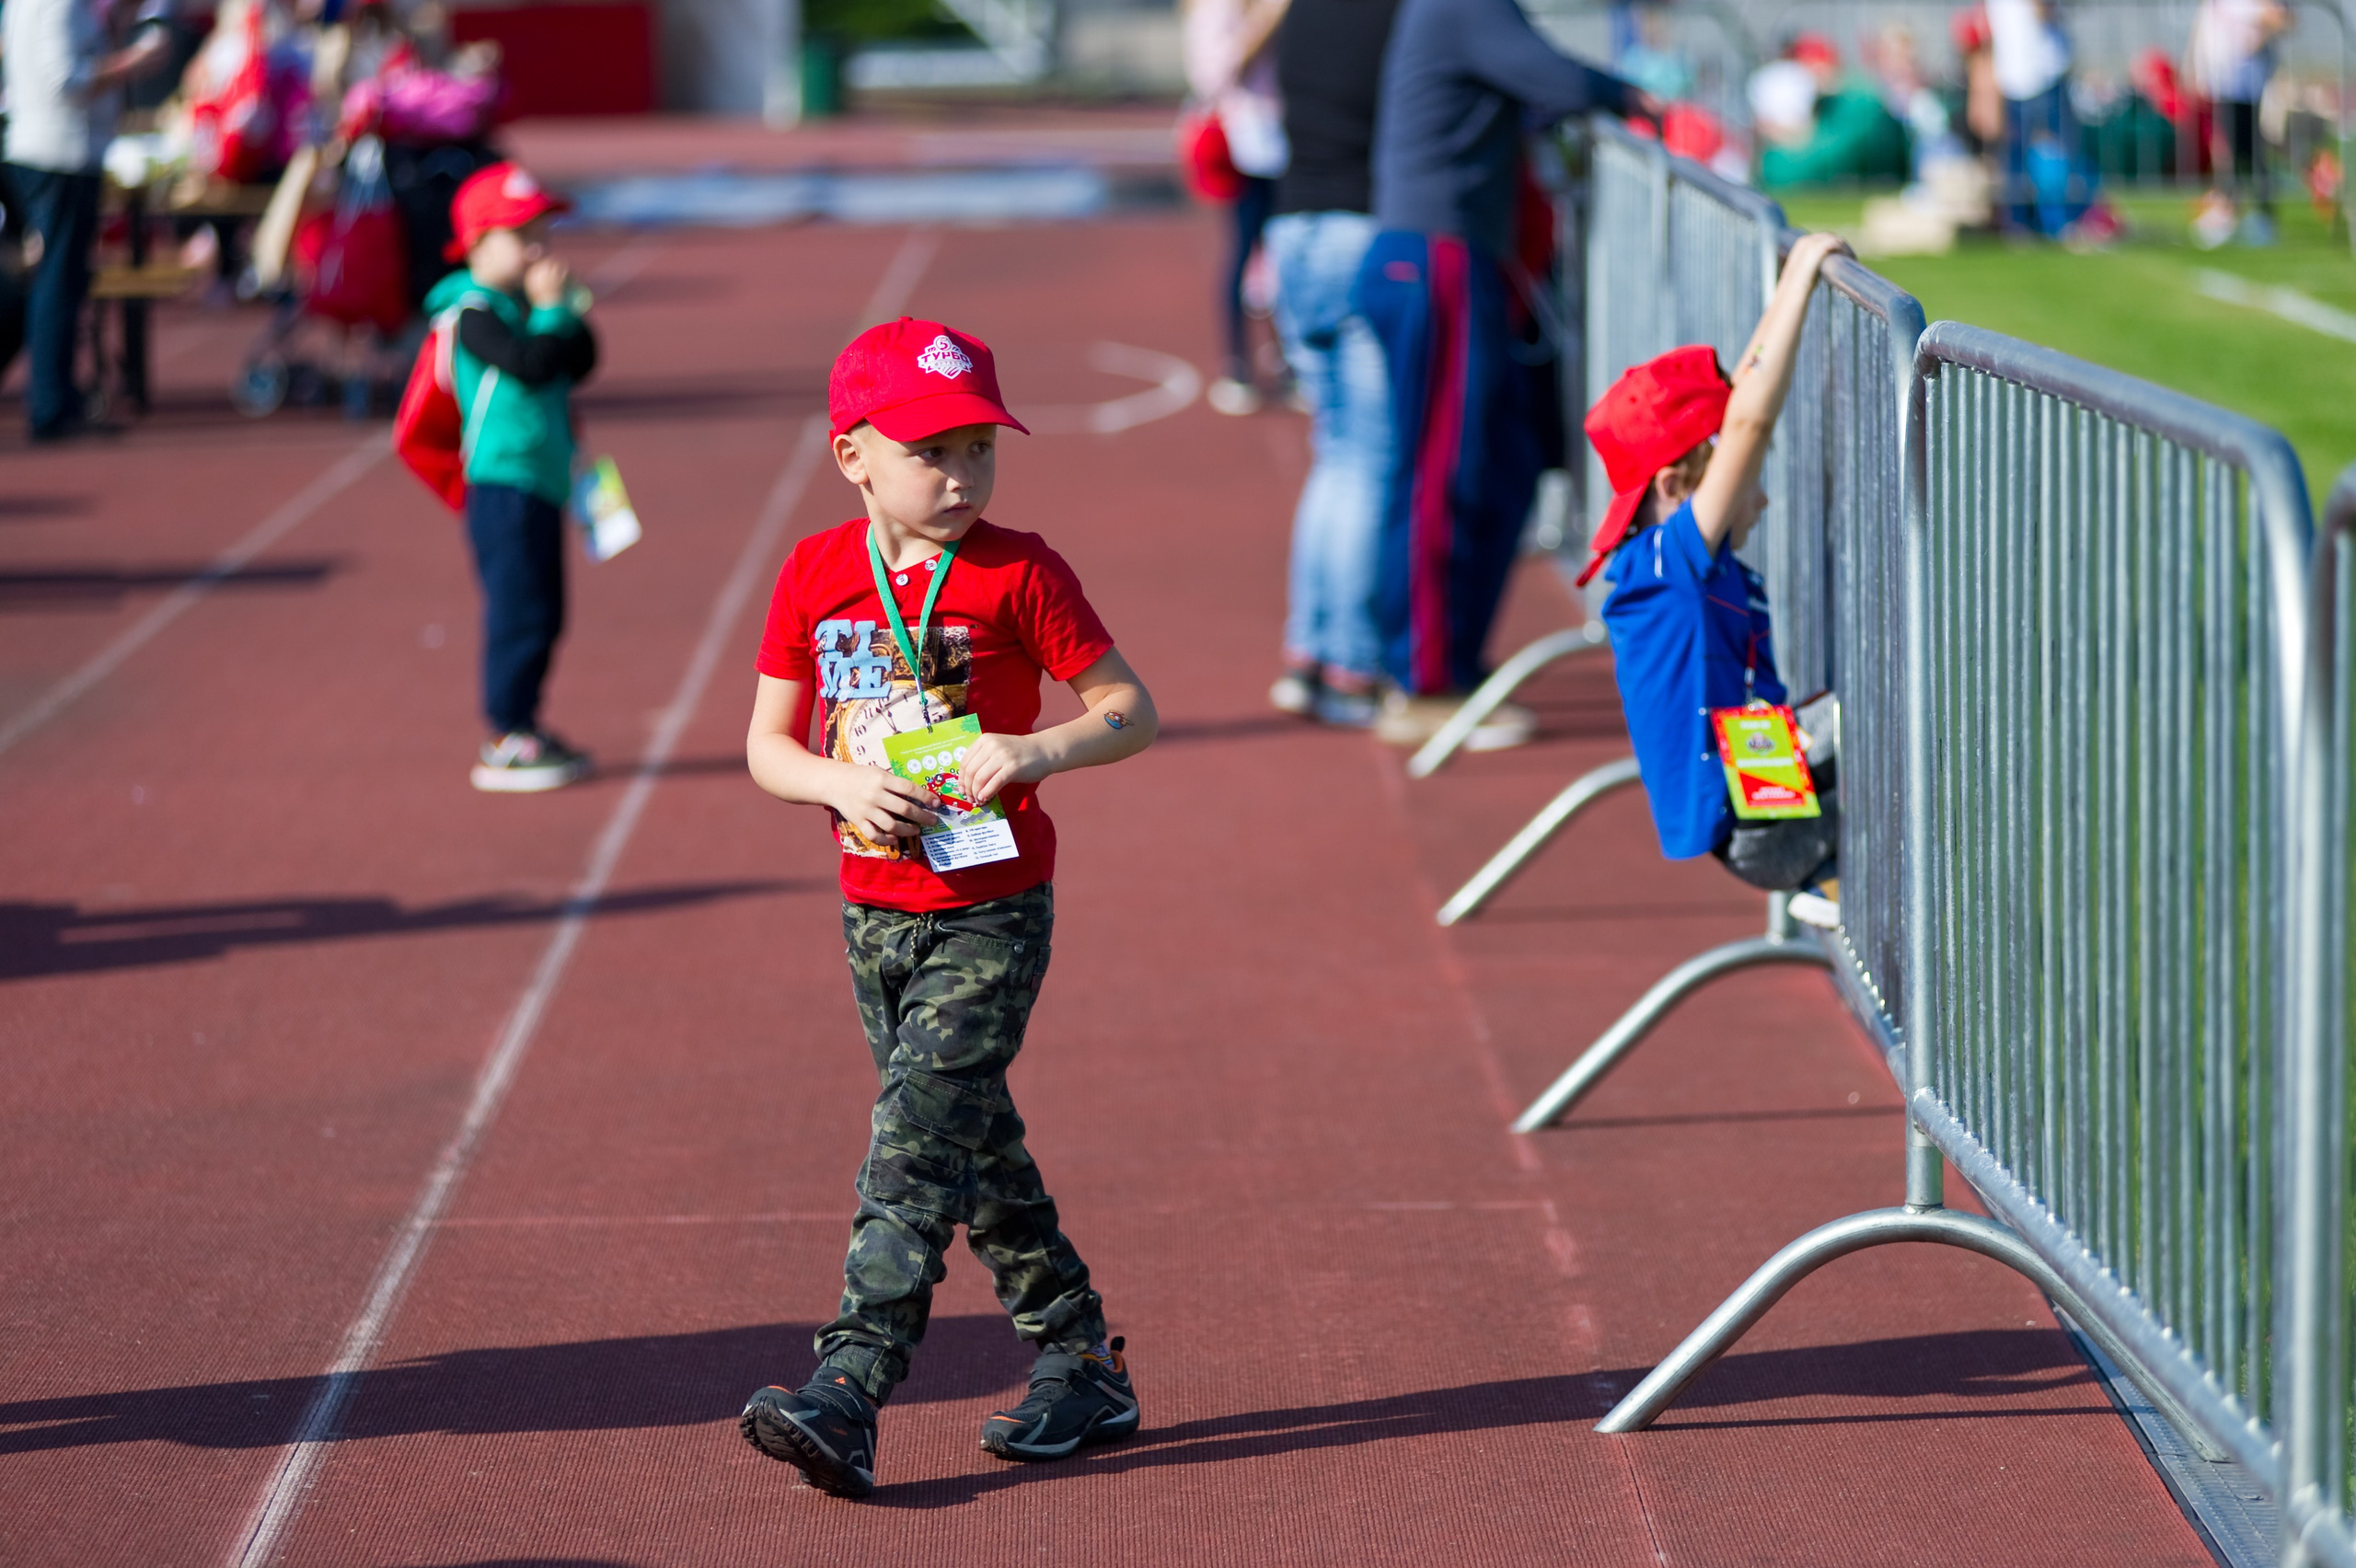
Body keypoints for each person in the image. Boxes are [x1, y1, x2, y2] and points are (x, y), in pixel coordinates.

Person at [737, 317, 1160, 1498]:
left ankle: (851, 1386)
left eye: (979, 449)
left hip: (992, 908)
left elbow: (1132, 710)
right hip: (873, 909)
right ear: (852, 456)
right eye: (932, 453)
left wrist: (1039, 750)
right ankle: (1081, 1360)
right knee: (970, 1146)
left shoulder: (1022, 570)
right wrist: (836, 780)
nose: (962, 477)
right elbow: (769, 747)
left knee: (912, 1148)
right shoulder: (814, 573)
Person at [1354, 0, 1649, 747]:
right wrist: (1631, 95)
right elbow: (1558, 79)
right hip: (1436, 257)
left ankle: (1447, 661)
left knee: (1503, 463)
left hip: (1452, 257)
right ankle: (1422, 682)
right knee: (1442, 479)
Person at [1580, 233, 1849, 892]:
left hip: (1765, 789)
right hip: (1760, 826)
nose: (1760, 495)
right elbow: (1749, 422)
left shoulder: (1670, 568)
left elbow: (1742, 408)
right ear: (1673, 487)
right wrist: (1805, 271)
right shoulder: (1673, 566)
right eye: (1743, 479)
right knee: (1898, 718)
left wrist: (1793, 285)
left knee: (1873, 709)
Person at [420, 163, 599, 791]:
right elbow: (527, 364)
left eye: (542, 236)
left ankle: (525, 719)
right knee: (518, 607)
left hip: (542, 480)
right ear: (477, 244)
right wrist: (550, 316)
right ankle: (505, 732)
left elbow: (578, 363)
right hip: (502, 483)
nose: (537, 250)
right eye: (522, 236)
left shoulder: (527, 308)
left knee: (547, 610)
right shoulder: (472, 312)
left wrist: (566, 315)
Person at [1263, 0, 1400, 727]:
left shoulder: (1305, 10)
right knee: (1369, 464)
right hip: (1359, 228)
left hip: (1296, 229)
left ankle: (1310, 651)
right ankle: (1350, 662)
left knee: (1336, 455)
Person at [3, 0, 170, 441]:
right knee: (56, 284)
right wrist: (134, 61)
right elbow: (65, 80)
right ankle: (51, 406)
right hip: (58, 154)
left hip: (50, 151)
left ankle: (57, 400)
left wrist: (117, 31)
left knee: (49, 282)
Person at [1184, 0, 1289, 414]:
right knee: (1244, 252)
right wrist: (1264, 24)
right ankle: (1237, 365)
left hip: (1285, 143)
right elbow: (1216, 76)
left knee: (1282, 255)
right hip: (1245, 147)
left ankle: (1285, 360)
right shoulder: (1216, 9)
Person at [1987, 0, 2093, 236]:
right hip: (2035, 75)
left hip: (2024, 75)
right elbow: (2041, 10)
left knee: (2025, 158)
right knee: (2053, 154)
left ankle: (2025, 224)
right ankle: (2054, 223)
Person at [2189, 0, 2291, 245]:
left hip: (2243, 84)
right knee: (2233, 150)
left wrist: (2256, 38)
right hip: (2223, 82)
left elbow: (2281, 17)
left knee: (2246, 151)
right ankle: (2234, 211)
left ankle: (2250, 216)